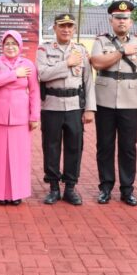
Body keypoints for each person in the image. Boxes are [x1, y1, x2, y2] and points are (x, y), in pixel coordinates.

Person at [90, 1, 137, 207]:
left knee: (128, 147)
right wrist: (122, 51)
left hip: (130, 101)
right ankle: (105, 187)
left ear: (131, 21)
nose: (122, 21)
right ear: (111, 20)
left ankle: (127, 189)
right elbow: (97, 63)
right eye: (118, 18)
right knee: (105, 146)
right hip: (104, 100)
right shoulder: (101, 41)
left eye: (125, 18)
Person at [36, 14, 96, 205]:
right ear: (54, 28)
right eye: (62, 26)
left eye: (70, 26)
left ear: (74, 29)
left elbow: (88, 81)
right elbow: (43, 74)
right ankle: (53, 187)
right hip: (51, 105)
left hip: (74, 106)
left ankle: (70, 187)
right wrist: (66, 64)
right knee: (51, 147)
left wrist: (89, 109)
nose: (66, 30)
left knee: (74, 147)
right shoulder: (44, 49)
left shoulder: (80, 50)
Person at [0, 30, 41, 205]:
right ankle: (0, 194)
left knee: (19, 156)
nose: (10, 47)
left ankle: (17, 193)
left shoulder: (28, 65)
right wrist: (14, 74)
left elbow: (34, 92)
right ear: (2, 46)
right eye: (7, 44)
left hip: (21, 115)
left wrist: (34, 116)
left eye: (14, 44)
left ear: (20, 46)